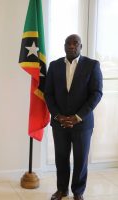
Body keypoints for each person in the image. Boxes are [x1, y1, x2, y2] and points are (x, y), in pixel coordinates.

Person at [44, 34, 103, 200]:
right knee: (61, 158)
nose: (71, 46)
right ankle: (62, 190)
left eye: (75, 43)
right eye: (68, 43)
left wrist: (78, 116)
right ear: (64, 46)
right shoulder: (54, 66)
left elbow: (96, 93)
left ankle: (78, 192)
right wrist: (57, 115)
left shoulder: (92, 65)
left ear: (80, 46)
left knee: (80, 159)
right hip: (59, 122)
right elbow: (48, 94)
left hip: (82, 123)